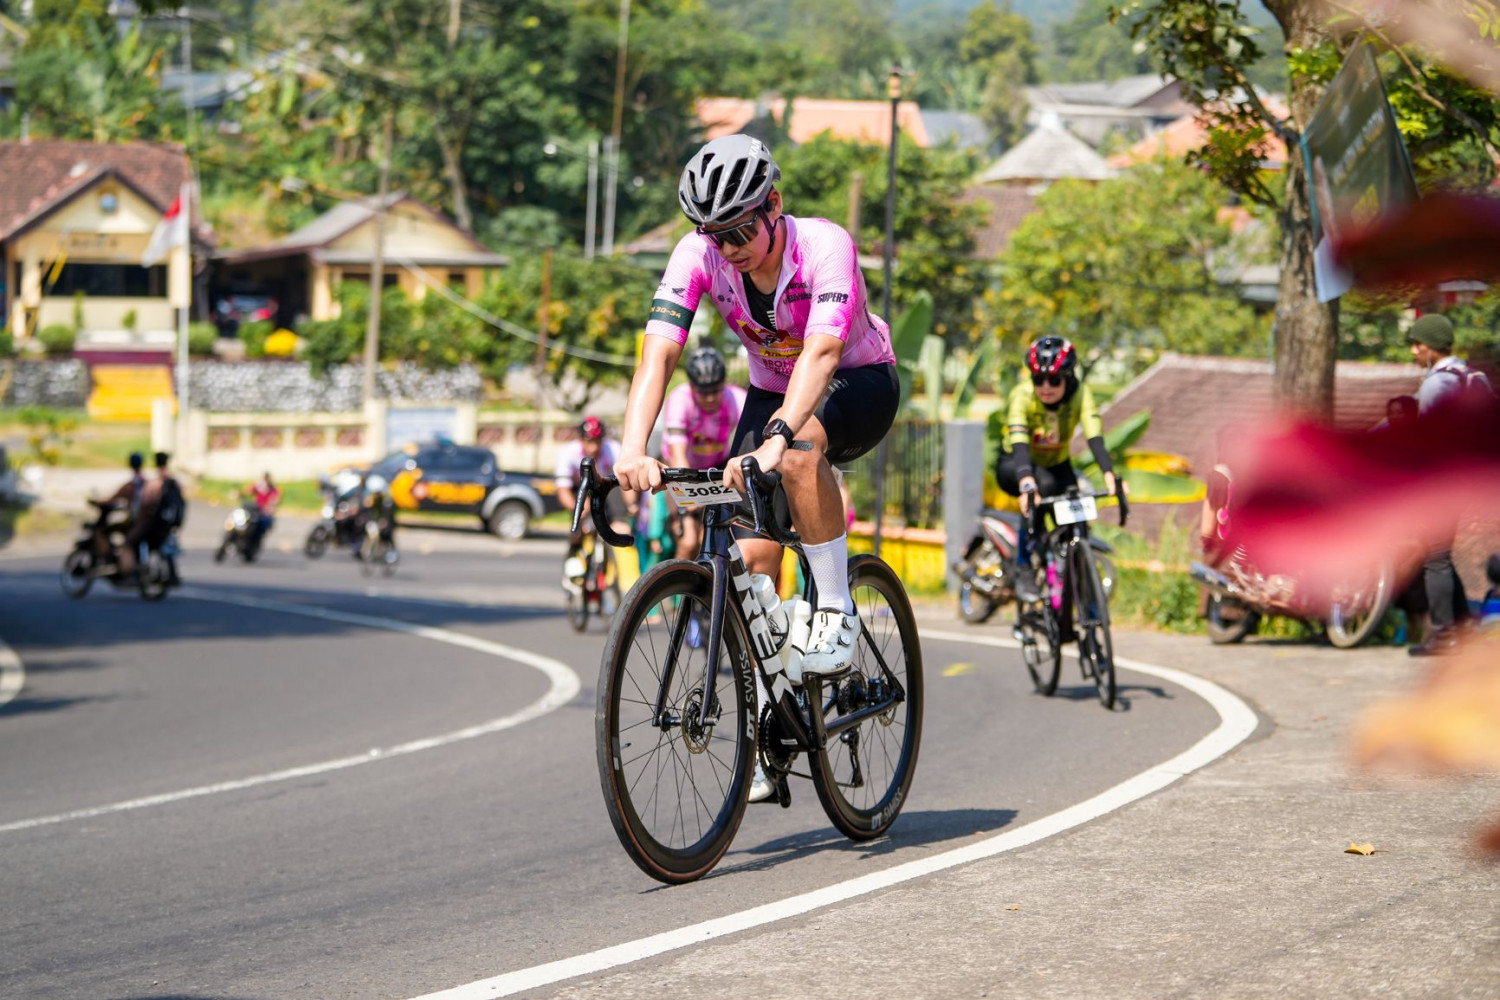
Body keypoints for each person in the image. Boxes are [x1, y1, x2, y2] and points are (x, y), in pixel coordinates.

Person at [996, 336, 1119, 604]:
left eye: (1053, 380)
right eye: (1038, 379)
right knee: (1040, 490)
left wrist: (1109, 475)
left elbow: (1094, 437)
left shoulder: (1081, 394)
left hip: (1056, 464)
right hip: (1016, 461)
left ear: (1068, 377)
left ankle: (1083, 590)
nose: (1045, 387)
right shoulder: (1022, 395)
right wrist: (1026, 482)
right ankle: (1024, 566)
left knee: (1076, 513)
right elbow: (1019, 442)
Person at [1406, 314, 1488, 655]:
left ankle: (1443, 636)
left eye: (1418, 345)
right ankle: (1465, 628)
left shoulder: (1436, 384)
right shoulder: (1473, 377)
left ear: (1433, 346)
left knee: (1435, 558)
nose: (1414, 351)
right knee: (1441, 554)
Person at [661, 343, 747, 561]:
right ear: (692, 386)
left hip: (717, 467)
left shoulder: (737, 398)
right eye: (703, 392)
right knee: (689, 541)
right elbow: (678, 455)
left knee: (718, 542)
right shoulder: (680, 399)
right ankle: (680, 582)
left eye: (716, 390)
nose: (710, 398)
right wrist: (690, 496)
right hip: (681, 469)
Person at [555, 416, 633, 592]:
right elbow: (563, 490)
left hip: (607, 487)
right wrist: (579, 509)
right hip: (579, 489)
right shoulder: (569, 453)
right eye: (589, 442)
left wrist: (631, 506)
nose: (594, 447)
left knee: (620, 525)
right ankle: (574, 562)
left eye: (598, 441)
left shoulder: (613, 449)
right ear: (580, 439)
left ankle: (615, 575)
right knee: (580, 527)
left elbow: (625, 485)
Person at [249, 471, 280, 552]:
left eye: (267, 479)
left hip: (265, 513)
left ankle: (257, 541)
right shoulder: (259, 486)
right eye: (264, 478)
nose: (266, 480)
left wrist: (272, 506)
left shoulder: (273, 489)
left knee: (264, 523)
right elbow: (249, 491)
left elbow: (276, 499)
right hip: (255, 510)